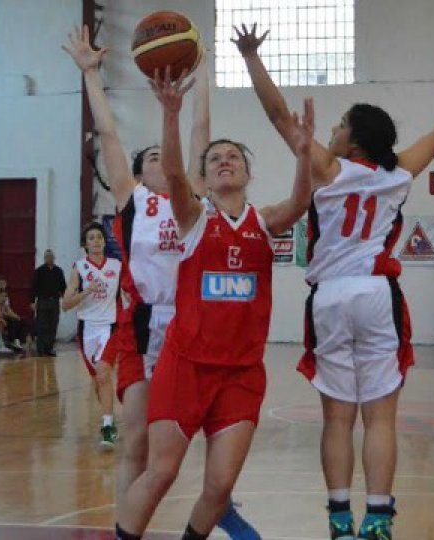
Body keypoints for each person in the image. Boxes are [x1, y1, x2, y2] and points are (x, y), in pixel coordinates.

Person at [235, 23, 434, 540]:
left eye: (339, 124)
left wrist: (250, 58)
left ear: (353, 138)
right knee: (380, 420)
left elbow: (277, 115)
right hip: (377, 296)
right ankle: (378, 519)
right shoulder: (398, 175)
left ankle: (338, 518)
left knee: (337, 420)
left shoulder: (329, 169)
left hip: (330, 297)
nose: (331, 129)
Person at [62, 25, 259, 538]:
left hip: (203, 318)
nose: (157, 158)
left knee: (213, 425)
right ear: (138, 170)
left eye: (161, 155)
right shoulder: (132, 200)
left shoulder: (191, 193)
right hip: (149, 321)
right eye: (149, 156)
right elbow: (107, 133)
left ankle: (223, 500)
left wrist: (204, 73)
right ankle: (126, 524)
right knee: (139, 443)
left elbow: (201, 131)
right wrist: (91, 76)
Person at [114, 68, 314, 540]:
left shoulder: (263, 221)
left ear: (247, 172)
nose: (225, 161)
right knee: (161, 472)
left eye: (234, 157)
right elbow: (178, 174)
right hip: (185, 366)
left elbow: (301, 202)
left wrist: (304, 154)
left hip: (241, 372)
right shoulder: (192, 218)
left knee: (220, 485)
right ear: (205, 176)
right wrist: (170, 112)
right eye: (216, 158)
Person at [62, 222, 122, 447]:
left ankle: (106, 426)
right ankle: (110, 418)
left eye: (99, 237)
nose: (96, 241)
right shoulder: (79, 268)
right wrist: (87, 290)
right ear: (85, 245)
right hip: (86, 328)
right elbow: (66, 304)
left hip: (110, 326)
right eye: (91, 238)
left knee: (104, 372)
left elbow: (129, 291)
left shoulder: (117, 266)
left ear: (105, 242)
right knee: (99, 380)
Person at [31, 249, 66, 356]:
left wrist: (66, 300)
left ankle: (49, 349)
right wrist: (32, 301)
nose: (49, 258)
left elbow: (63, 287)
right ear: (44, 258)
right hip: (42, 301)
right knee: (42, 326)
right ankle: (40, 350)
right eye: (47, 257)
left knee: (53, 325)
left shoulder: (59, 271)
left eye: (51, 256)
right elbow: (33, 287)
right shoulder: (39, 271)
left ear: (54, 258)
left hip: (55, 302)